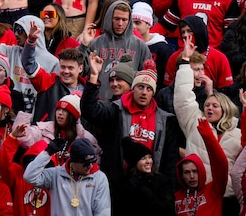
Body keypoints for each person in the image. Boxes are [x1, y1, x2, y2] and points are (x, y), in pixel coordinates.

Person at [81, 58, 180, 192]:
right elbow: (90, 111)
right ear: (133, 88)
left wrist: (168, 194)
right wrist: (93, 76)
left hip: (151, 188)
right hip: (119, 186)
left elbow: (170, 162)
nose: (144, 92)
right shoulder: (116, 110)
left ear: (154, 93)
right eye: (140, 87)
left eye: (149, 89)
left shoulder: (165, 120)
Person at [174, 51, 241, 202]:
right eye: (207, 105)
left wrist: (228, 190)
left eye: (215, 106)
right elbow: (183, 99)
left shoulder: (238, 135)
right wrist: (185, 62)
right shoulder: (195, 123)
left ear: (225, 109)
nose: (209, 108)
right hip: (199, 196)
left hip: (227, 199)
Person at [79, 0, 151, 100]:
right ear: (109, 18)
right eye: (116, 19)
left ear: (129, 21)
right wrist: (83, 46)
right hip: (100, 102)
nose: (120, 23)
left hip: (129, 103)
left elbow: (148, 78)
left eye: (124, 20)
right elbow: (80, 70)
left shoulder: (140, 45)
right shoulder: (96, 43)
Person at [23, 137, 110, 216]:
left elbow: (102, 212)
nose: (90, 166)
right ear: (73, 161)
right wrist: (47, 153)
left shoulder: (99, 178)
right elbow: (29, 176)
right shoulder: (56, 175)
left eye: (93, 161)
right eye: (86, 163)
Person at [174, 118, 228, 216]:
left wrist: (207, 135)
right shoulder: (176, 196)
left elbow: (221, 164)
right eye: (187, 172)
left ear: (201, 171)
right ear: (181, 175)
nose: (192, 176)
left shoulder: (214, 190)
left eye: (195, 171)